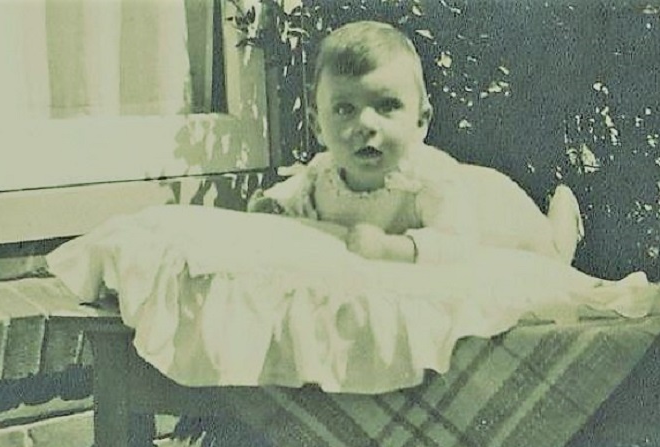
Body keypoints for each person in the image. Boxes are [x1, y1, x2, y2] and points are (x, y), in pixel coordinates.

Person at [249, 20, 583, 264]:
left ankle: (561, 221)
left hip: (492, 216)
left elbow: (459, 245)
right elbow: (294, 194)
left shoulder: (428, 180)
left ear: (421, 121)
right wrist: (272, 207)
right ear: (317, 126)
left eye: (387, 106)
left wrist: (393, 249)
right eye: (344, 109)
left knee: (545, 260)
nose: (365, 124)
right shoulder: (323, 172)